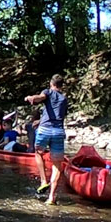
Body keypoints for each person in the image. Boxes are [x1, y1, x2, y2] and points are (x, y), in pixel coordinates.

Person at [26, 74, 68, 204]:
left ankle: (43, 181)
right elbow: (57, 115)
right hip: (59, 131)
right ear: (61, 85)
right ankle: (52, 197)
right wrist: (40, 120)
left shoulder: (48, 92)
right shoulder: (64, 99)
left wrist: (31, 98)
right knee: (57, 165)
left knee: (38, 153)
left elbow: (41, 98)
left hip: (45, 130)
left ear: (51, 83)